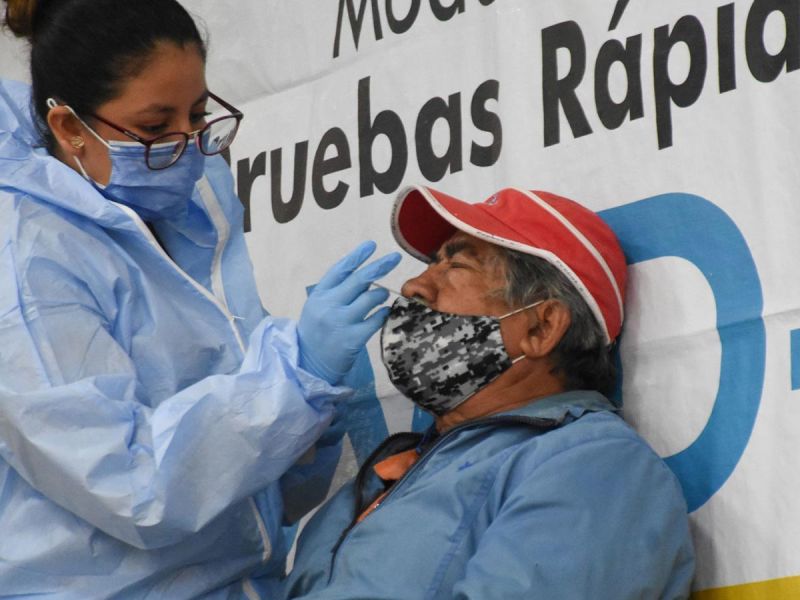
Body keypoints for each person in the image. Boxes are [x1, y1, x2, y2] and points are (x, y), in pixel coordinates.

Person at [0, 0, 399, 597]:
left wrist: (307, 425)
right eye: (155, 126)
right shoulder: (27, 260)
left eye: (198, 114)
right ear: (69, 128)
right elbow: (132, 486)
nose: (186, 144)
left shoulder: (186, 221)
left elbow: (250, 497)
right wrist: (292, 381)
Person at [281, 186, 696, 599]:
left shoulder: (596, 466)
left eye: (456, 265)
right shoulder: (399, 466)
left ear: (541, 328)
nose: (413, 286)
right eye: (432, 264)